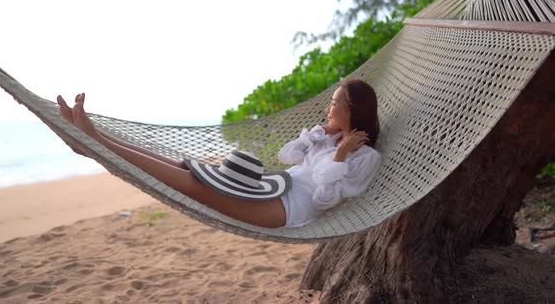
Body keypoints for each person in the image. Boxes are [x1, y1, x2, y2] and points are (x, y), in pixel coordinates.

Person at [56, 79, 382, 229]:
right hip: (276, 184)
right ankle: (96, 138)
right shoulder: (328, 138)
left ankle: (95, 145)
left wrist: (339, 155)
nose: (328, 108)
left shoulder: (364, 158)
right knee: (187, 167)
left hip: (288, 210)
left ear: (352, 111)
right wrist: (320, 135)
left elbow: (325, 201)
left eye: (334, 104)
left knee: (190, 184)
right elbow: (288, 156)